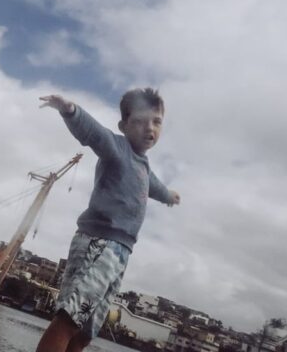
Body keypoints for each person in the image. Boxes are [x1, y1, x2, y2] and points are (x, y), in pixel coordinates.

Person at [35, 88, 180, 352]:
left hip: (120, 253)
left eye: (156, 122)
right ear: (124, 126)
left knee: (84, 332)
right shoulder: (117, 148)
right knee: (70, 319)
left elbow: (154, 186)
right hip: (99, 244)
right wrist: (70, 110)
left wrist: (169, 196)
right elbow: (94, 134)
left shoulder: (143, 165)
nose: (150, 128)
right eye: (139, 121)